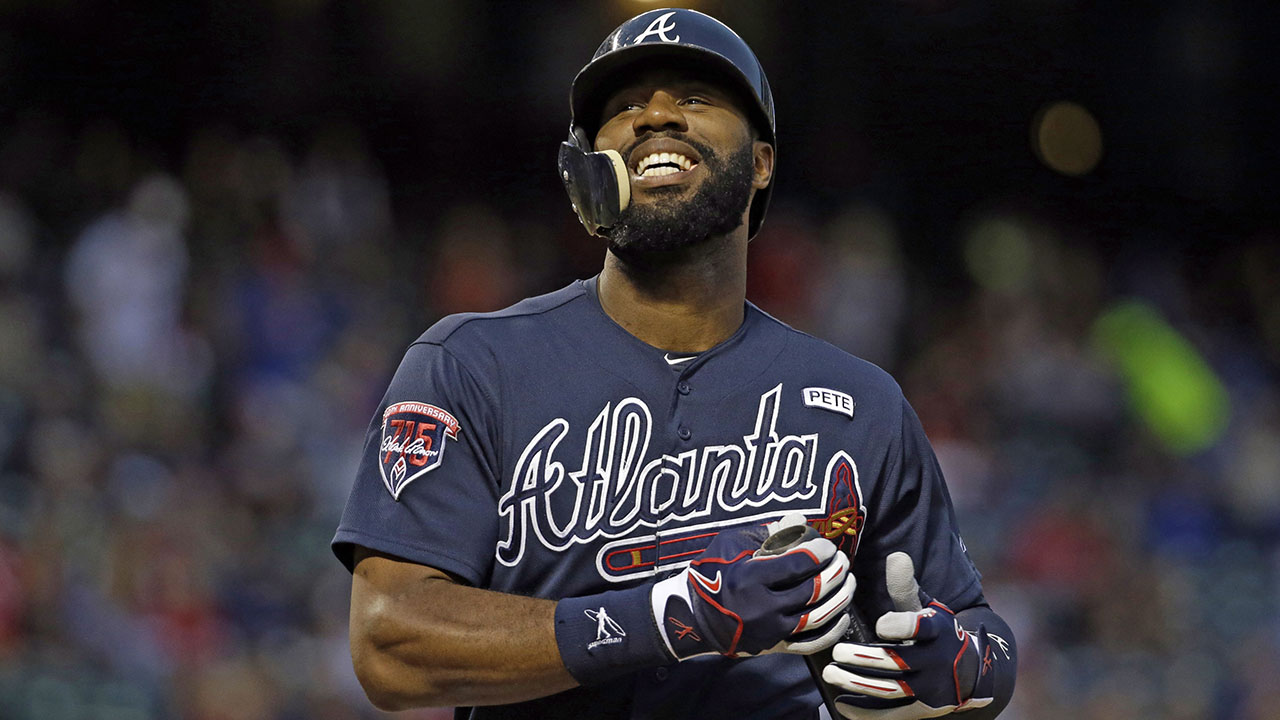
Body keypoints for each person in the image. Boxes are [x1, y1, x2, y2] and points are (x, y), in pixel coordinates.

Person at [332, 8, 1017, 720]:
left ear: (761, 161)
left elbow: (984, 638)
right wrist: (669, 615)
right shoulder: (471, 365)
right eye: (624, 107)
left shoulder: (860, 401)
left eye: (694, 98)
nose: (655, 116)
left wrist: (956, 666)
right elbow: (390, 645)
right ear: (587, 170)